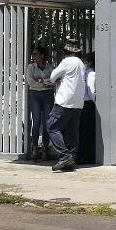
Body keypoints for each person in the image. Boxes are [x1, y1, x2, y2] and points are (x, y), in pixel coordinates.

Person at [46, 39, 87, 172]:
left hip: (65, 100)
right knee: (72, 132)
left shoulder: (67, 61)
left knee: (52, 127)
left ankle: (64, 157)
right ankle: (71, 160)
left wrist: (57, 79)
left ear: (66, 51)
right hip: (78, 103)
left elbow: (52, 77)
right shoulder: (81, 63)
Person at [25, 44, 55, 161]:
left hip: (48, 95)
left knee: (47, 122)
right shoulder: (31, 67)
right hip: (35, 95)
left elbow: (55, 80)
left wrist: (43, 82)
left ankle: (45, 148)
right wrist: (44, 83)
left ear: (42, 55)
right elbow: (31, 82)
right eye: (33, 54)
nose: (33, 56)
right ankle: (34, 148)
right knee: (36, 121)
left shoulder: (50, 67)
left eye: (35, 54)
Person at [78, 52, 97, 165]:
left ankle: (81, 155)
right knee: (88, 131)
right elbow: (91, 90)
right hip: (89, 104)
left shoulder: (83, 73)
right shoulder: (91, 73)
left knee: (82, 131)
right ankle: (87, 156)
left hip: (82, 103)